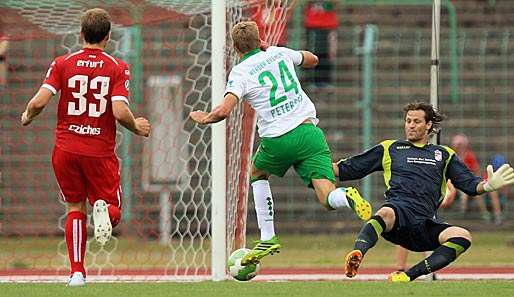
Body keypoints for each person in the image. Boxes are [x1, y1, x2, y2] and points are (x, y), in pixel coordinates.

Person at [189, 21, 371, 266]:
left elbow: (224, 110)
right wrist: (270, 47)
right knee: (327, 197)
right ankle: (347, 196)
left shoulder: (240, 73)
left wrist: (205, 118)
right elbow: (313, 59)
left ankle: (268, 237)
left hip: (279, 138)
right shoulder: (277, 52)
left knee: (257, 173)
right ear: (259, 40)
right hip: (310, 133)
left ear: (234, 47)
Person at [21, 8, 151, 287]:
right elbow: (118, 111)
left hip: (65, 150)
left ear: (81, 34)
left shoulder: (62, 63)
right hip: (99, 151)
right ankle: (103, 210)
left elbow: (39, 102)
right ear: (108, 36)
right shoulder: (118, 67)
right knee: (112, 208)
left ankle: (77, 273)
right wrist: (137, 127)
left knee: (74, 207)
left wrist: (28, 115)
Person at [333, 101, 514, 282]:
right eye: (408, 121)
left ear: (428, 125)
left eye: (416, 121)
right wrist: (312, 161)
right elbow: (347, 169)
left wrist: (488, 185)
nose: (411, 125)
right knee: (385, 212)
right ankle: (358, 253)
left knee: (462, 236)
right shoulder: (390, 148)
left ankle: (407, 276)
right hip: (398, 218)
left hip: (425, 225)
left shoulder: (444, 154)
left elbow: (469, 184)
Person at [395, 179, 456, 279]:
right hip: (411, 197)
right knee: (404, 230)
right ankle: (400, 269)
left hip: (426, 203)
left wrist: (450, 189)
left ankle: (429, 272)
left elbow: (446, 177)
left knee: (425, 233)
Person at [451, 134, 489, 220]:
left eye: (461, 145)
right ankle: (462, 211)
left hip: (467, 180)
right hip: (453, 181)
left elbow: (476, 169)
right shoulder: (452, 154)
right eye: (458, 145)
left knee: (476, 193)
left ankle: (485, 213)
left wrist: (477, 181)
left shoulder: (469, 154)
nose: (460, 147)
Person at [303, 1, 338, 89]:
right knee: (313, 52)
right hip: (313, 25)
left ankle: (326, 80)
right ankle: (313, 80)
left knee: (329, 54)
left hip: (329, 25)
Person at [483, 154, 508, 225]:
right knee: (492, 192)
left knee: (494, 192)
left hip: (501, 193)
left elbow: (505, 187)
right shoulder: (490, 171)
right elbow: (485, 183)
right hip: (488, 192)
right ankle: (496, 216)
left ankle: (498, 215)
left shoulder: (505, 172)